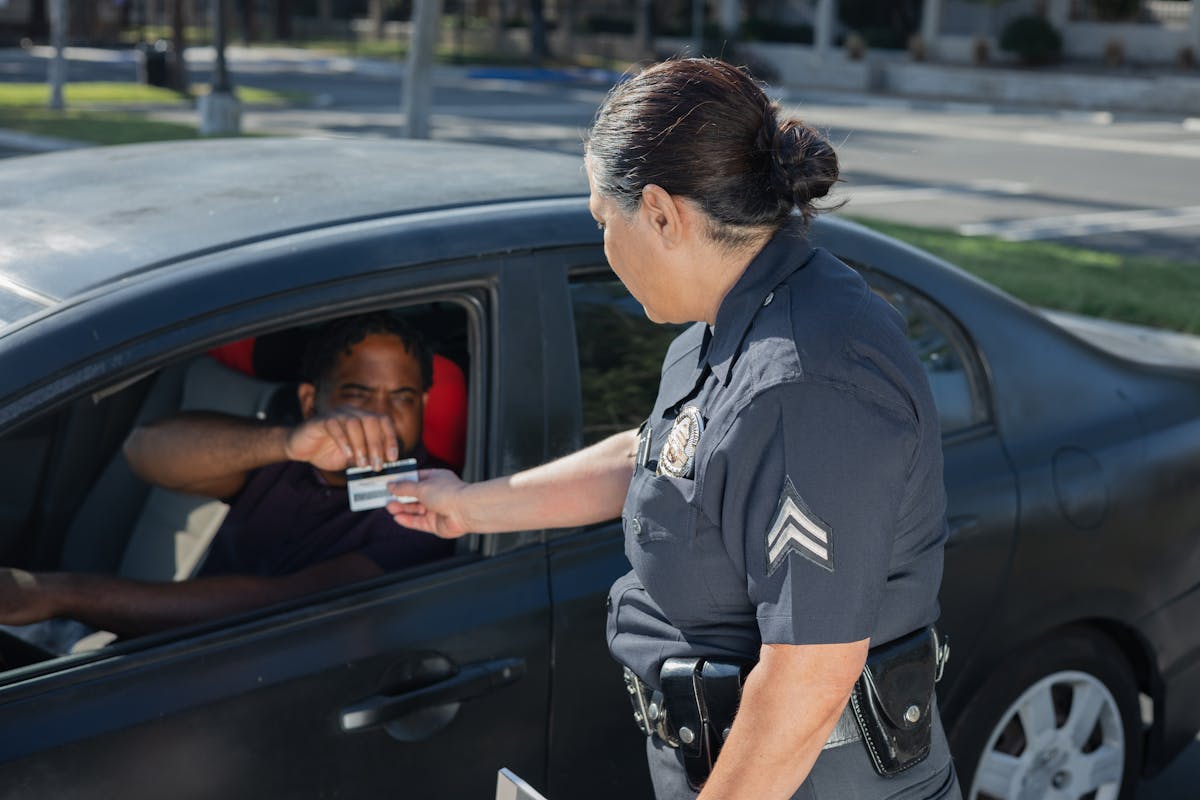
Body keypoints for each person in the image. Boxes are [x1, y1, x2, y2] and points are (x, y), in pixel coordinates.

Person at [386, 59, 960, 800]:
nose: (603, 245)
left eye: (603, 219)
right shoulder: (731, 318)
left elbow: (808, 674)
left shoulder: (803, 382)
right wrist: (467, 505)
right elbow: (663, 457)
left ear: (660, 212)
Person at [0, 313, 454, 643]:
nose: (377, 414)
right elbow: (145, 451)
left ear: (425, 407)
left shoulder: (428, 503)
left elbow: (275, 604)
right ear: (311, 400)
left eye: (402, 397)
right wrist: (287, 443)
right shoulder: (294, 451)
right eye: (357, 393)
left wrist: (61, 593)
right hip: (162, 655)